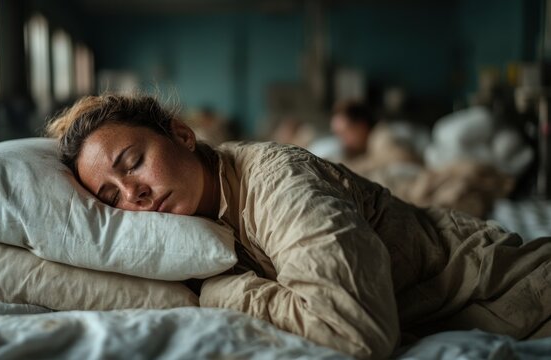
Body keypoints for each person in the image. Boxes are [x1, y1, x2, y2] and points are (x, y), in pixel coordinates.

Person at [46, 93, 551, 360]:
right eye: (111, 196)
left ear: (182, 136)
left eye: (133, 161)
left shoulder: (272, 179)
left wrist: (227, 292)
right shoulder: (185, 236)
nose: (132, 193)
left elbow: (353, 332)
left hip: (511, 287)